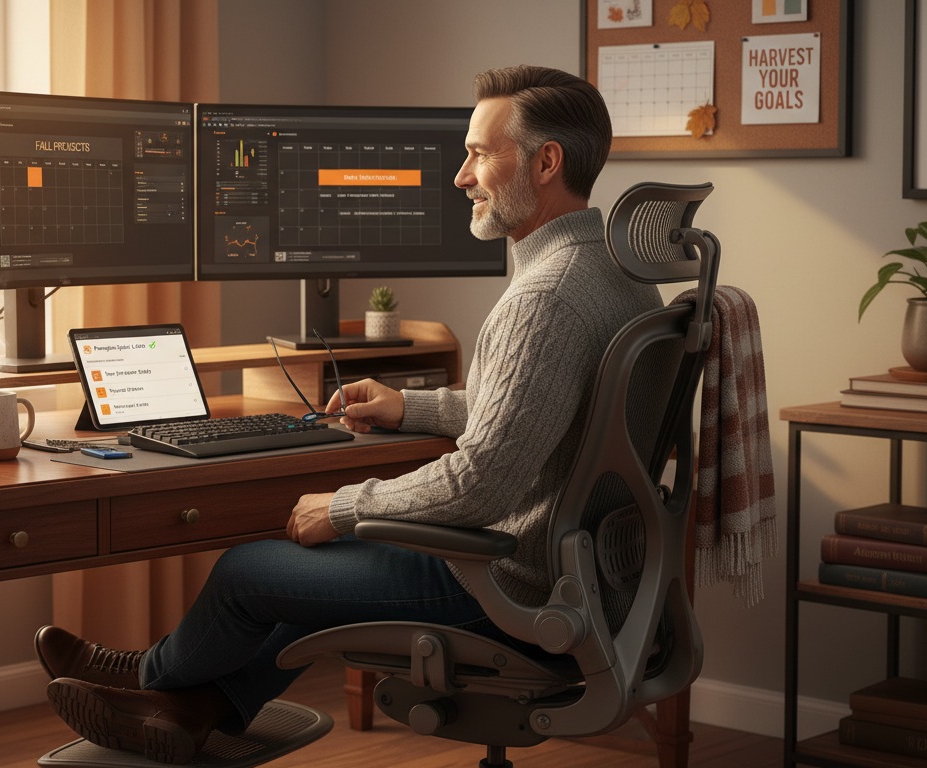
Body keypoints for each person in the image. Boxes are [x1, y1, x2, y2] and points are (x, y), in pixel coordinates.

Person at [36, 65, 664, 765]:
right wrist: (410, 405)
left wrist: (342, 507)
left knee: (248, 573)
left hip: (505, 586)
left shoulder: (544, 298)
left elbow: (482, 482)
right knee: (300, 583)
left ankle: (145, 676)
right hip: (585, 577)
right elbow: (543, 414)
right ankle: (189, 710)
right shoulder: (619, 277)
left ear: (546, 163)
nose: (462, 176)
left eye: (480, 154)